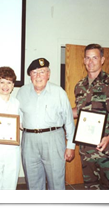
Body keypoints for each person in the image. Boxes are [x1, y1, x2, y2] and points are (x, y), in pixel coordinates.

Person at [72, 43, 109, 190]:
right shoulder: (80, 86)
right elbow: (79, 111)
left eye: (95, 58)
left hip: (108, 151)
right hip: (87, 151)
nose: (90, 61)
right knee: (91, 190)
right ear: (84, 60)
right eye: (87, 58)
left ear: (102, 60)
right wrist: (58, 114)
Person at [16, 58, 75, 190]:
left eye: (42, 72)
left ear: (48, 74)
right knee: (32, 181)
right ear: (30, 75)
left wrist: (71, 145)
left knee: (56, 181)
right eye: (34, 72)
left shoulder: (59, 92)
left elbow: (69, 120)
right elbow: (15, 116)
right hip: (29, 141)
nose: (38, 76)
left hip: (53, 139)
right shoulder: (22, 92)